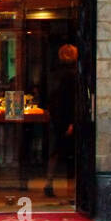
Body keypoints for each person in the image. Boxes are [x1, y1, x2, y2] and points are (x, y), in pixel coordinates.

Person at [43, 43, 78, 198]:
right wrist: (72, 122)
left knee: (55, 152)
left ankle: (49, 182)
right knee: (73, 153)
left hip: (56, 117)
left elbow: (50, 96)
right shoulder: (73, 74)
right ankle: (74, 189)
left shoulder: (54, 72)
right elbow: (71, 100)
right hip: (67, 118)